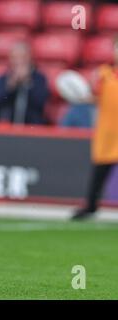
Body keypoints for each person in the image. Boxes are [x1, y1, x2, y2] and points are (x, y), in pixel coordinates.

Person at [72, 36, 118, 220]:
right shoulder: (104, 74)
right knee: (99, 172)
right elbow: (93, 96)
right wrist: (80, 94)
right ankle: (91, 206)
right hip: (107, 132)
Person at [0, 41, 49, 125]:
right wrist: (10, 87)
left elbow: (40, 102)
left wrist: (28, 82)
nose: (19, 61)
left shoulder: (39, 78)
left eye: (22, 57)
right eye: (15, 57)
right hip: (8, 128)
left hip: (32, 128)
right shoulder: (3, 79)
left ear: (29, 58)